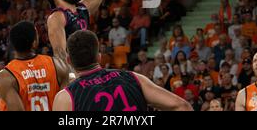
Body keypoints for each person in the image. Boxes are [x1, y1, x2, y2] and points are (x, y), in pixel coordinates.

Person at [52, 30, 193, 111]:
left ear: (69, 61)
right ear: (99, 57)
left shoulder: (65, 97)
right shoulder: (134, 77)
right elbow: (182, 106)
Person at [0, 21, 70, 111]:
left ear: (13, 45)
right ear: (34, 42)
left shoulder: (5, 77)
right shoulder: (58, 66)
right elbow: (67, 104)